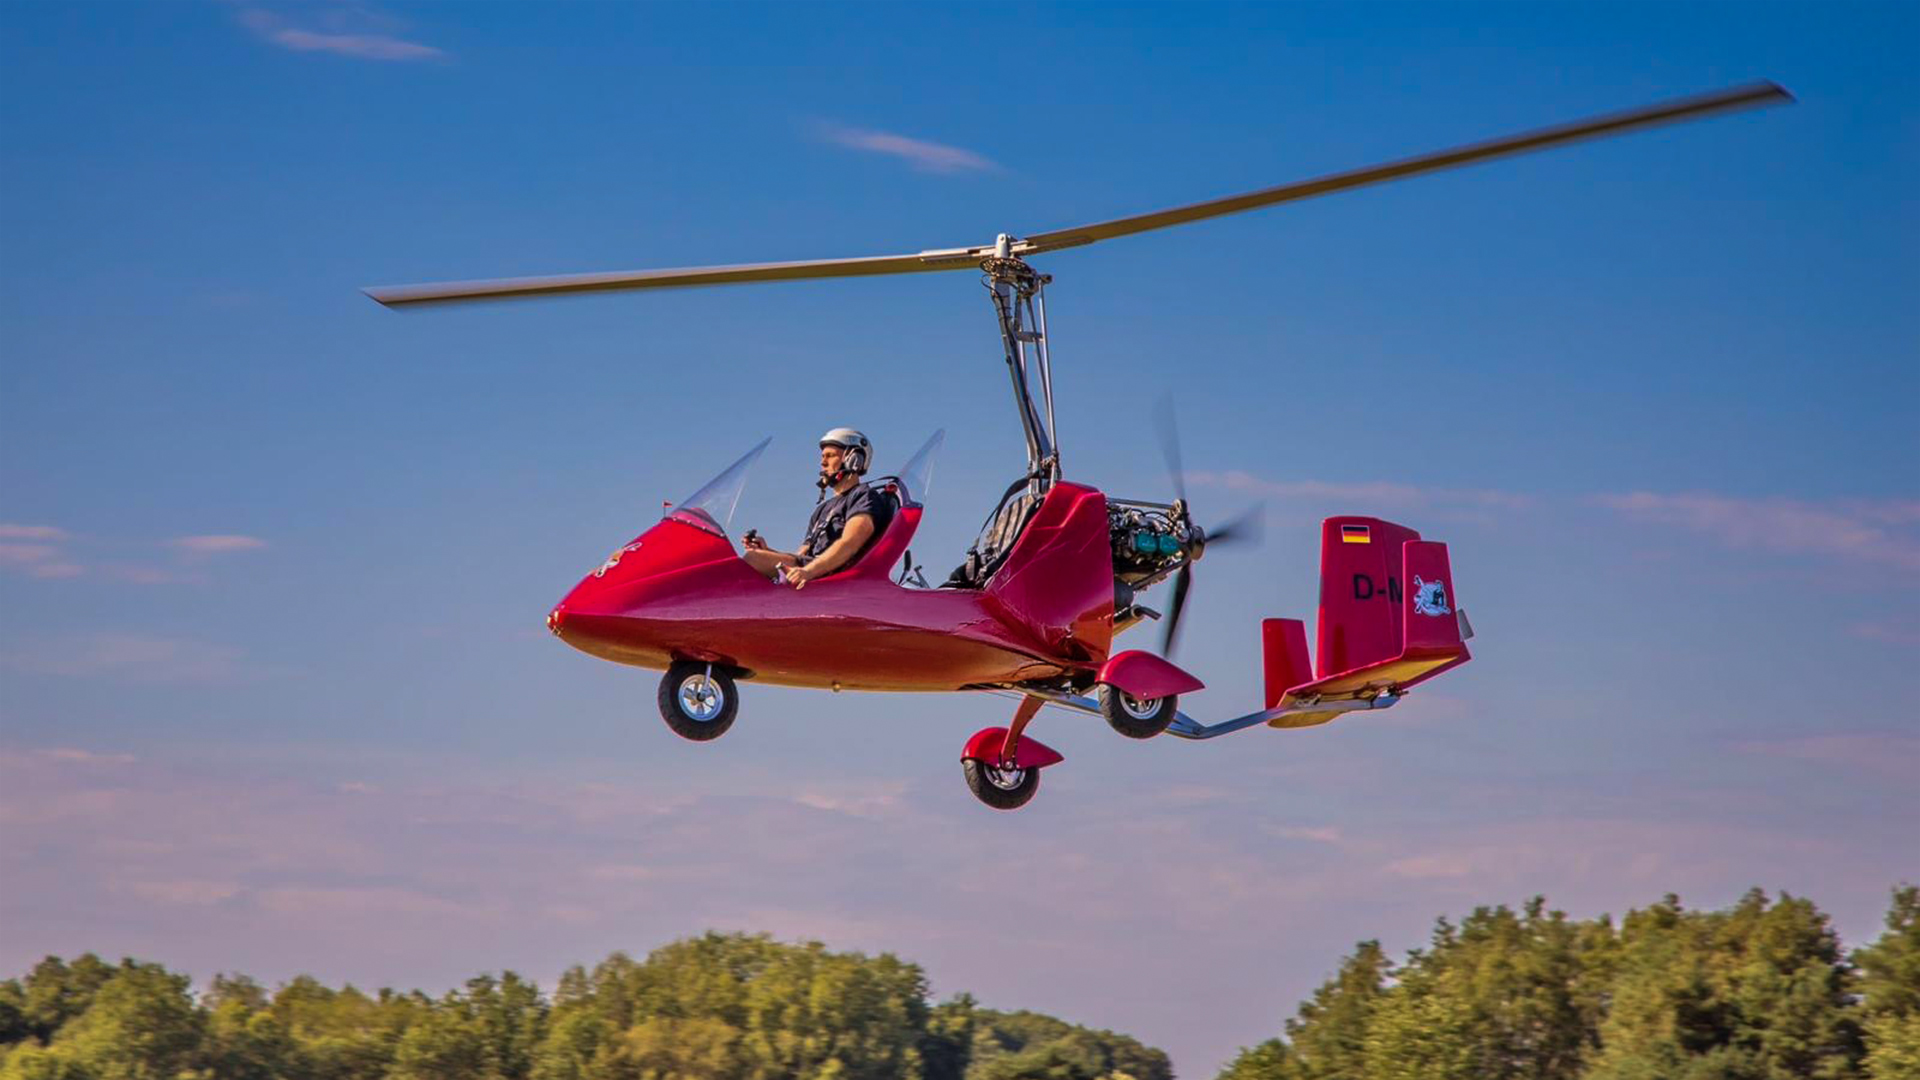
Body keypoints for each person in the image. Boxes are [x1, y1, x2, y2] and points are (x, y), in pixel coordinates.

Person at [742, 428, 882, 589]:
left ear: (854, 460)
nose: (823, 463)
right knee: (748, 560)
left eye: (830, 456)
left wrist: (809, 571)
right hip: (812, 567)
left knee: (752, 558)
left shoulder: (863, 496)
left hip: (832, 574)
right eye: (822, 457)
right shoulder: (822, 509)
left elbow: (851, 542)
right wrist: (767, 551)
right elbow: (801, 555)